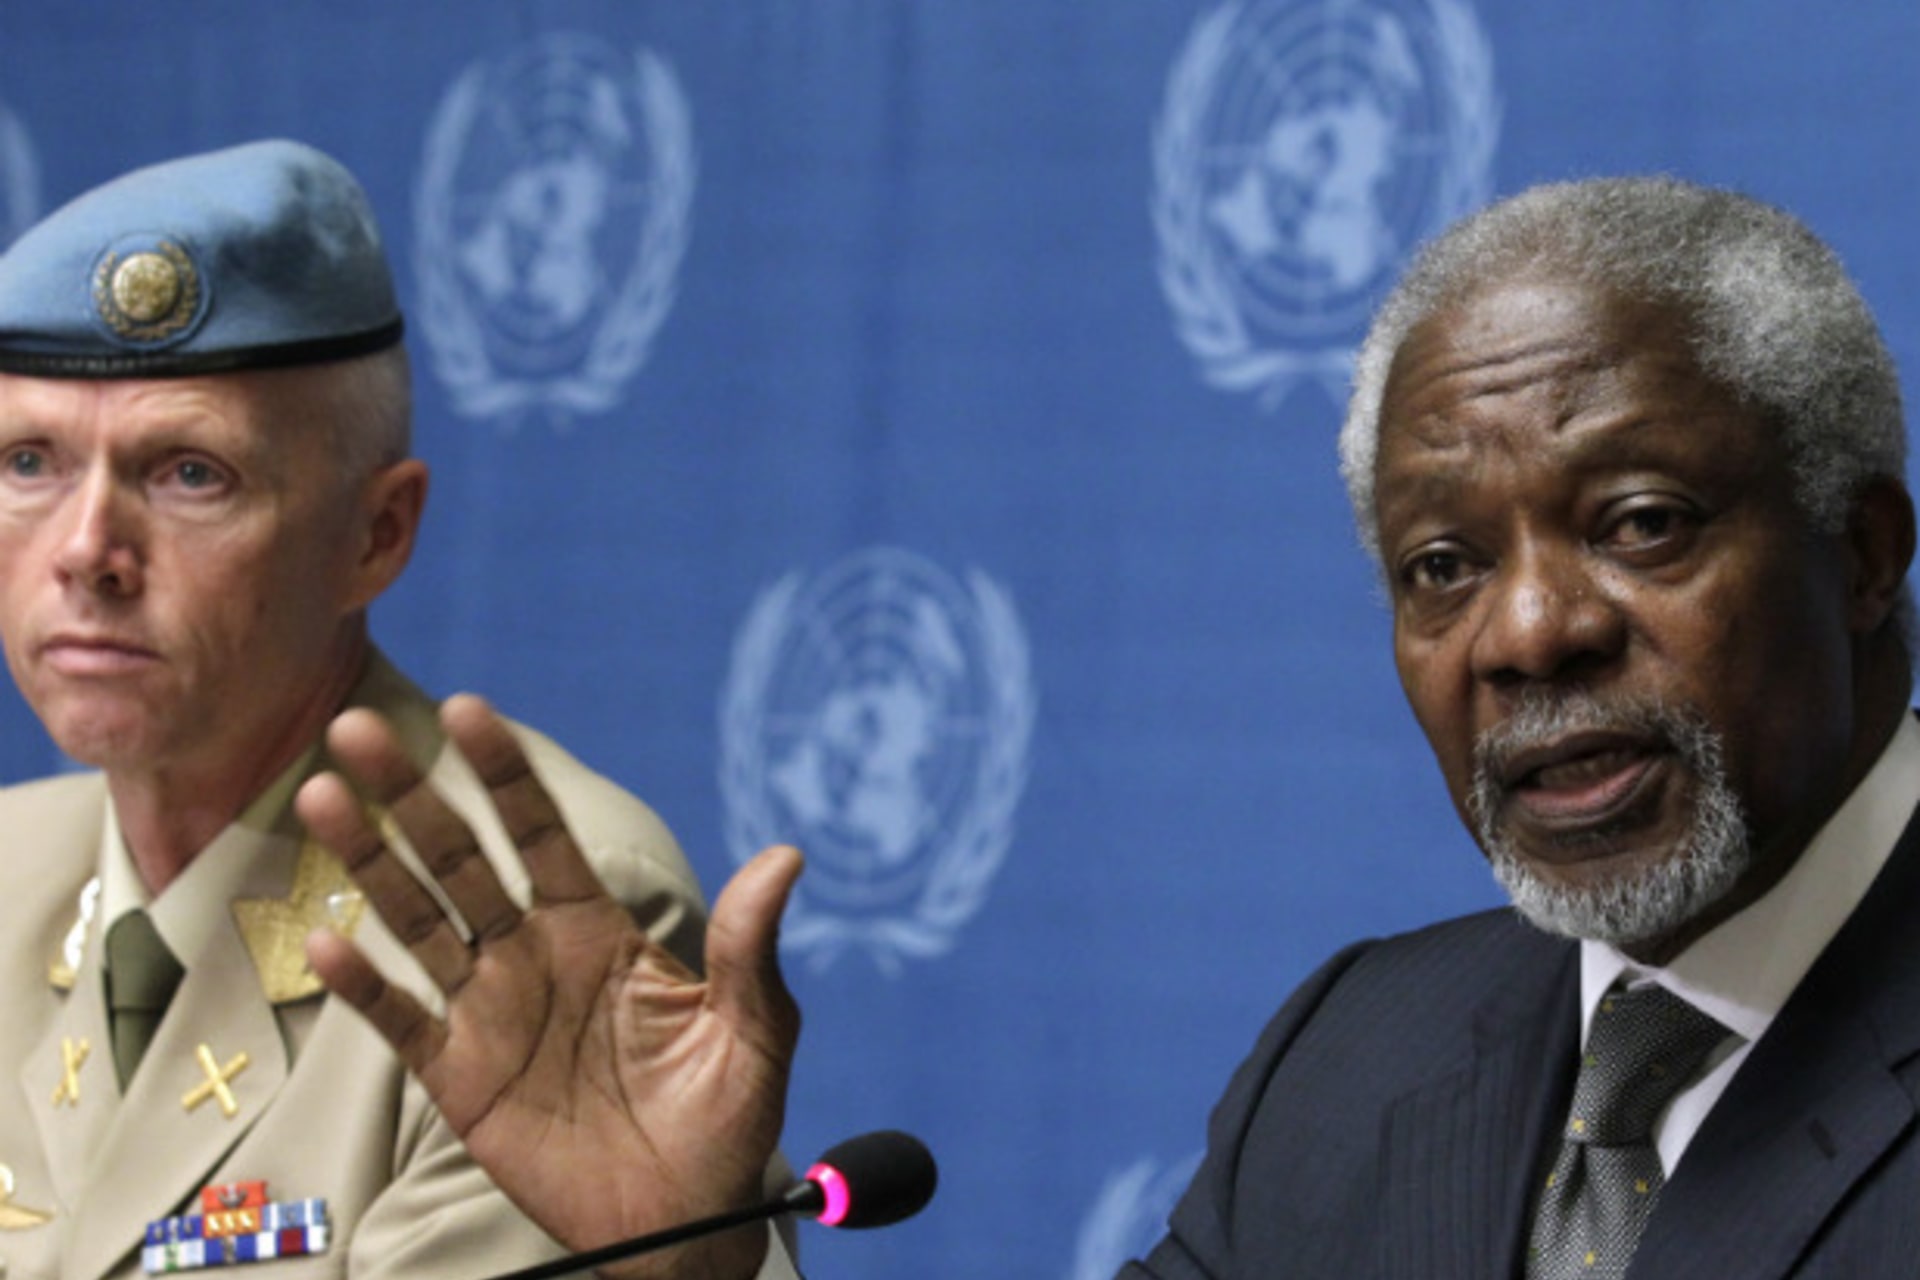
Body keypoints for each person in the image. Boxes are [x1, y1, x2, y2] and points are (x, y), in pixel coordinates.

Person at [299, 174, 1920, 1279]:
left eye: (1639, 522)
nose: (1526, 632)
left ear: (1859, 555)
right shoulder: (1356, 1058)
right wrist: (700, 1261)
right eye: (1441, 565)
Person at [0, 140, 800, 1280]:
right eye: (30, 460)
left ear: (377, 534)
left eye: (190, 473)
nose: (87, 551)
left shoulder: (527, 920)